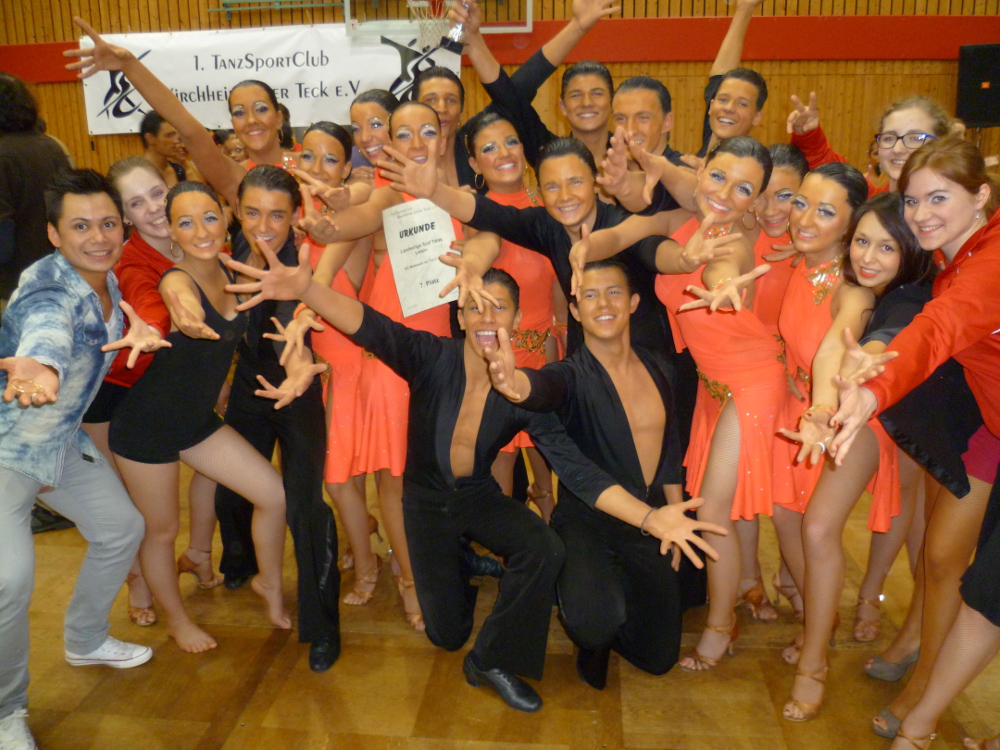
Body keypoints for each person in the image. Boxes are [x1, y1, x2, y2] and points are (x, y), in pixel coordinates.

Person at [226, 242, 719, 712]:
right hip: (424, 502)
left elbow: (576, 470)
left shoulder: (522, 391)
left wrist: (651, 517)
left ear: (517, 319)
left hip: (477, 495)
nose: (487, 318)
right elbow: (369, 325)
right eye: (475, 308)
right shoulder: (430, 356)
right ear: (459, 317)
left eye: (499, 308)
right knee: (446, 634)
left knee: (544, 547)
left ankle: (492, 660)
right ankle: (461, 559)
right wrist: (307, 289)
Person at [825, 137, 1000, 750]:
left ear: (980, 196)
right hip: (987, 427)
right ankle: (923, 699)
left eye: (939, 198)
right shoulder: (955, 251)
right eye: (913, 200)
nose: (921, 214)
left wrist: (873, 390)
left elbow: (938, 327)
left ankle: (924, 709)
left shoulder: (987, 262)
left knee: (979, 583)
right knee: (955, 567)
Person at [484, 258, 727, 687]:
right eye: (590, 296)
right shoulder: (569, 376)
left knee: (658, 658)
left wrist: (677, 518)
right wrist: (514, 385)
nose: (603, 304)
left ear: (633, 303)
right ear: (575, 311)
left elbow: (671, 448)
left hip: (652, 519)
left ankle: (609, 603)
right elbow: (541, 388)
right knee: (594, 624)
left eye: (614, 293)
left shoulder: (659, 366)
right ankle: (591, 625)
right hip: (587, 523)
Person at [0, 168, 166, 750]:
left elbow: (119, 311)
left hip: (61, 443)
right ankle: (5, 712)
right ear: (53, 233)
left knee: (121, 528)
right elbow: (46, 329)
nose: (97, 237)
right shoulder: (48, 288)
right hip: (8, 451)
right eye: (79, 226)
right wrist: (41, 365)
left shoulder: (107, 277)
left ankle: (86, 638)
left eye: (107, 224)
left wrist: (140, 323)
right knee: (9, 581)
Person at [108, 179, 297, 655]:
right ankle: (177, 621)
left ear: (226, 219)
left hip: (196, 423)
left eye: (210, 218)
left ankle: (269, 583)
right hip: (146, 428)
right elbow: (179, 299)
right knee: (162, 531)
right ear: (171, 232)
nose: (201, 231)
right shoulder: (177, 280)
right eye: (186, 223)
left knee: (274, 495)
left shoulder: (237, 267)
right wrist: (187, 316)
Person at [778, 192, 936, 721]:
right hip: (864, 409)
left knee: (913, 534)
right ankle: (820, 646)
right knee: (815, 524)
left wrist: (849, 380)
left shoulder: (912, 297)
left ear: (911, 250)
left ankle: (853, 642)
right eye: (862, 241)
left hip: (906, 418)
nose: (868, 256)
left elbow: (873, 344)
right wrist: (825, 405)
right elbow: (833, 348)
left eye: (886, 247)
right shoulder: (860, 287)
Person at [199, 166, 340, 671]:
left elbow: (296, 319)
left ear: (295, 215)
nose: (264, 225)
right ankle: (241, 560)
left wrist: (298, 367)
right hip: (247, 384)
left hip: (297, 389)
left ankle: (322, 627)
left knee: (305, 507)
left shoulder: (304, 258)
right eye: (253, 212)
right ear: (237, 211)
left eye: (277, 215)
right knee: (232, 489)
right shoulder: (230, 247)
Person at [83, 156, 222, 629]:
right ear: (124, 216)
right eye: (136, 203)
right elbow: (151, 302)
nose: (154, 208)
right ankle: (138, 583)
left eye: (157, 193)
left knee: (211, 470)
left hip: (167, 388)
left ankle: (198, 555)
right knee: (128, 503)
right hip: (113, 391)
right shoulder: (131, 260)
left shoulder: (197, 237)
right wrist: (151, 325)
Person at [461, 111, 564, 519]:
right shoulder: (477, 214)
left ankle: (553, 528)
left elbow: (559, 284)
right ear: (475, 163)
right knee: (500, 459)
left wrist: (561, 341)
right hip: (495, 354)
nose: (503, 153)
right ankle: (510, 543)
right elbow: (479, 251)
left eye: (511, 142)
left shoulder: (550, 205)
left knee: (548, 453)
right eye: (489, 148)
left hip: (545, 349)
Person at [787, 93, 953, 197]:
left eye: (915, 138)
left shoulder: (954, 216)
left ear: (941, 145)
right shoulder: (871, 203)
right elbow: (832, 170)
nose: (898, 149)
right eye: (889, 138)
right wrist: (809, 135)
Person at [0, 72, 71, 303]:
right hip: (58, 275)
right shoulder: (51, 146)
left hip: (14, 289)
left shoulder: (3, 155)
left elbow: (3, 242)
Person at [696, 0, 767, 158]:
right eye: (723, 100)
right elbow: (720, 73)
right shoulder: (713, 135)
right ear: (711, 106)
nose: (729, 108)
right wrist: (744, 8)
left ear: (756, 117)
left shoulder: (749, 164)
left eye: (742, 104)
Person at [139, 111, 203, 188]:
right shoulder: (135, 174)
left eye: (177, 135)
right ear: (150, 138)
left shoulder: (179, 171)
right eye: (169, 135)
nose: (176, 141)